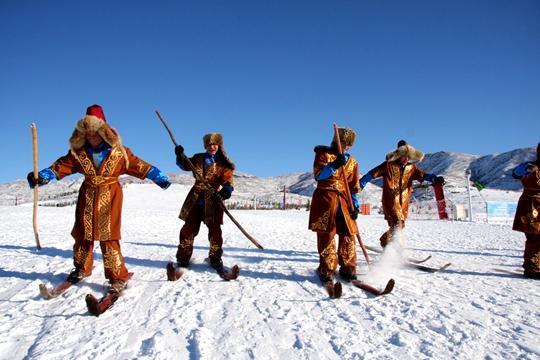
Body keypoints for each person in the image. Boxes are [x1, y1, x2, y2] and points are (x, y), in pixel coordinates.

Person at [27, 104, 171, 292]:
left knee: (108, 235)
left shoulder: (119, 152)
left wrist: (158, 176)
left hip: (110, 195)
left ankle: (117, 275)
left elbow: (139, 165)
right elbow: (61, 166)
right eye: (88, 134)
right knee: (82, 233)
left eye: (95, 133)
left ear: (103, 132)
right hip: (86, 195)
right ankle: (81, 268)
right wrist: (42, 176)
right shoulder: (78, 153)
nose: (92, 137)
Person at [360, 140, 444, 248]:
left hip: (403, 203)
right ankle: (392, 248)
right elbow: (371, 174)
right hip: (390, 201)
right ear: (398, 155)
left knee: (400, 226)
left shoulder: (411, 168)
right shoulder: (388, 166)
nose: (406, 159)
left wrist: (435, 178)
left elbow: (423, 175)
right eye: (404, 156)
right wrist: (360, 184)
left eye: (408, 156)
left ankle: (387, 243)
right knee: (397, 223)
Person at [174, 133, 235, 271]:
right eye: (209, 145)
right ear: (205, 146)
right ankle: (183, 258)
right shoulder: (198, 158)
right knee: (188, 229)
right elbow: (185, 165)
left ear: (219, 146)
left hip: (213, 199)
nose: (212, 147)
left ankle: (215, 258)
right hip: (195, 199)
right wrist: (179, 155)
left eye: (215, 144)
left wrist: (226, 191)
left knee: (215, 231)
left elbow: (228, 181)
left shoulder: (224, 164)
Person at [308, 127, 360, 283]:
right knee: (327, 234)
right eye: (344, 143)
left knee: (348, 234)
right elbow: (319, 175)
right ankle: (327, 268)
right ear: (336, 141)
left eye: (349, 145)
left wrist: (355, 205)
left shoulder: (352, 162)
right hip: (325, 200)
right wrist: (334, 165)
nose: (347, 147)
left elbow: (353, 187)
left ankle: (348, 267)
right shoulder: (323, 154)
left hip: (345, 202)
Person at [512, 142, 540, 279]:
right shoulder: (530, 166)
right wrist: (525, 169)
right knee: (534, 237)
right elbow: (515, 174)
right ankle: (532, 269)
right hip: (531, 205)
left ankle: (534, 266)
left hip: (534, 204)